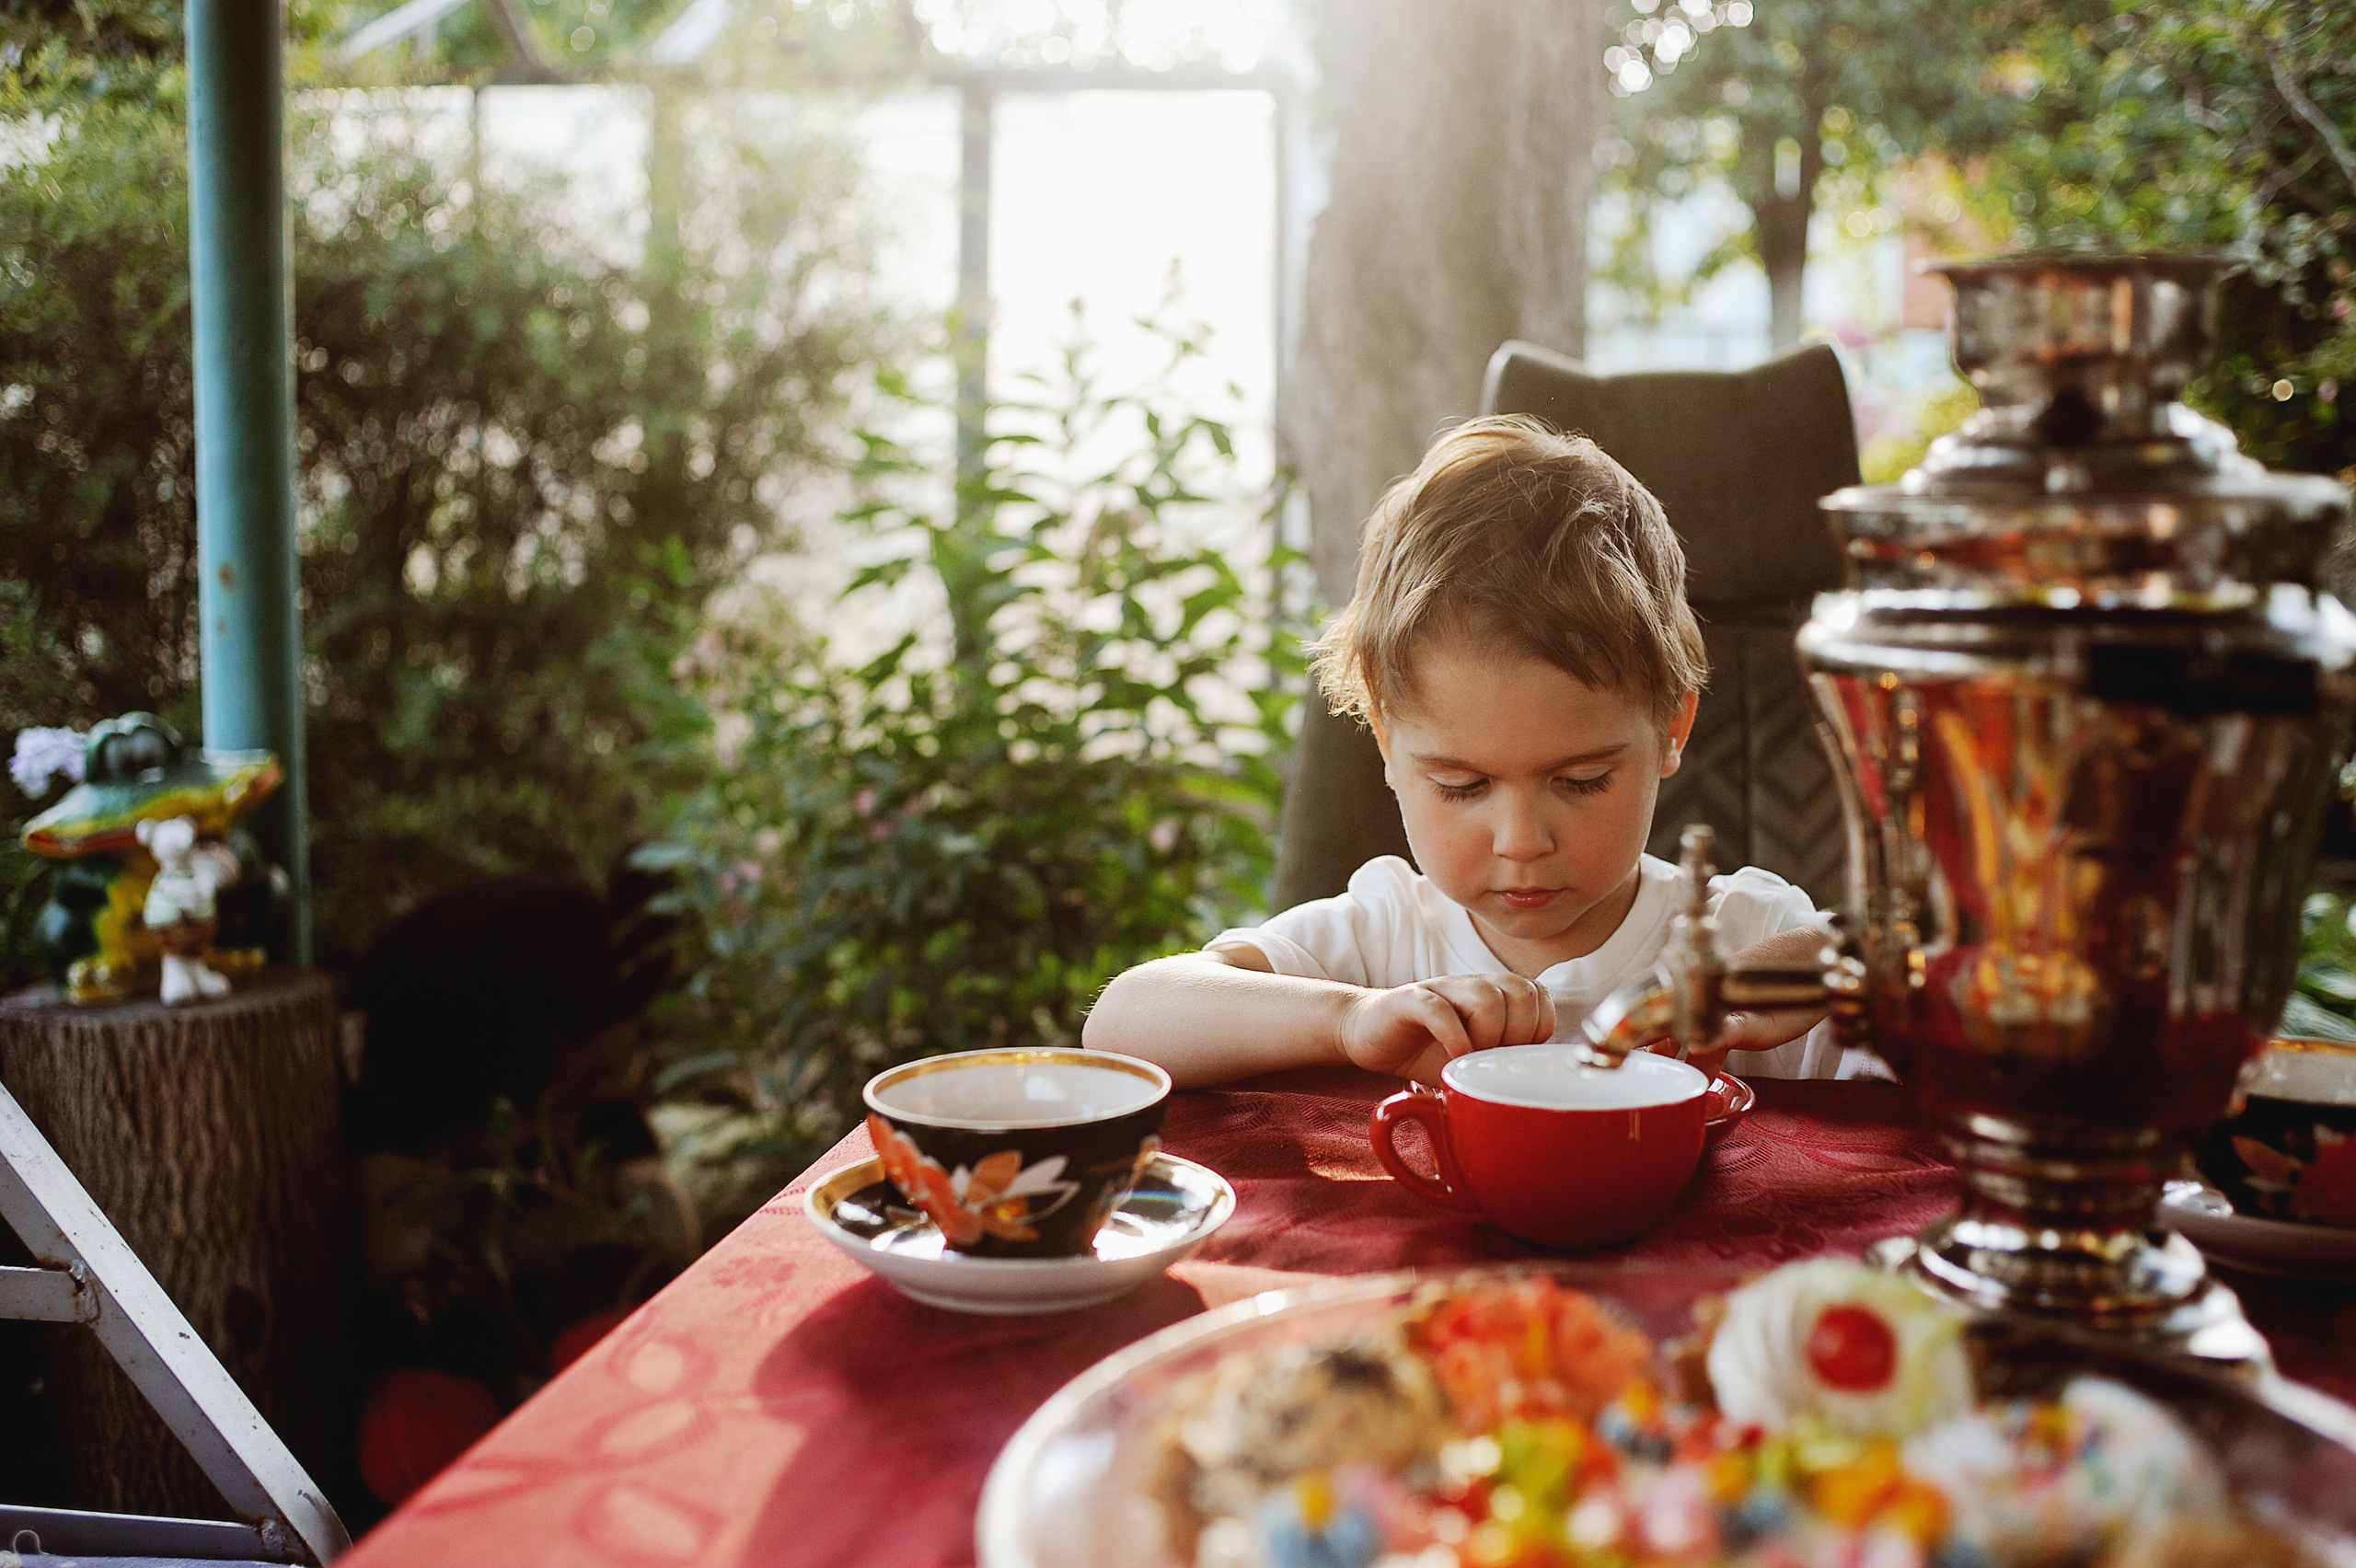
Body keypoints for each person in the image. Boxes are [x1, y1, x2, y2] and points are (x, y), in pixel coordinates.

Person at [1084, 414, 1835, 1090]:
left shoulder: (1742, 939)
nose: (1521, 842)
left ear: (1672, 730)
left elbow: (1939, 1030)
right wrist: (1348, 1022)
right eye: (1461, 786)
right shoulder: (1378, 944)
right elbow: (1121, 1022)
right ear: (1384, 738)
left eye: (1581, 781)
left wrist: (1843, 961)